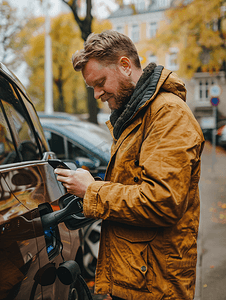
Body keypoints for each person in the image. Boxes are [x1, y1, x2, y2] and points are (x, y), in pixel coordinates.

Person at [55, 30, 205, 300]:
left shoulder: (167, 114)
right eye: (92, 88)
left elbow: (162, 201)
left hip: (156, 286)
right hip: (138, 279)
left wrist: (93, 191)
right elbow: (134, 185)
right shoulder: (135, 116)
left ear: (125, 66)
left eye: (100, 83)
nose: (97, 94)